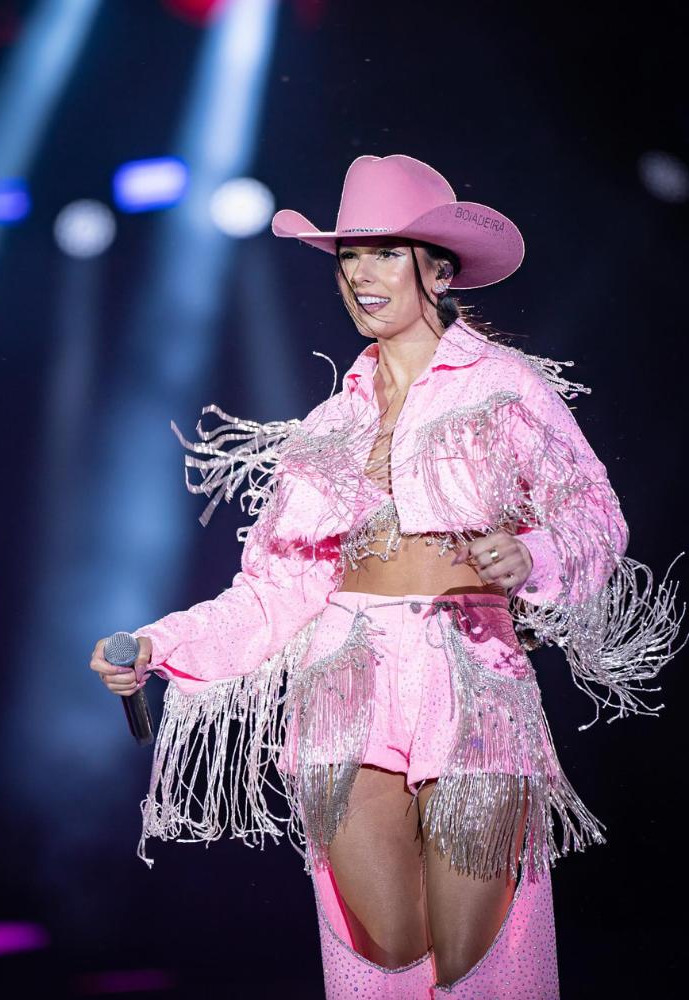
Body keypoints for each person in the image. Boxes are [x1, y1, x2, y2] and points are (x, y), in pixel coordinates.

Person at [90, 154, 686, 998]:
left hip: (470, 674)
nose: (361, 275)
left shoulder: (506, 388)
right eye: (348, 256)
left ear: (437, 270)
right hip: (346, 681)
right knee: (384, 952)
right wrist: (156, 643)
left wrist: (533, 555)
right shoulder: (329, 428)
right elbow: (271, 592)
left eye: (382, 253)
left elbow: (596, 515)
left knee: (476, 954)